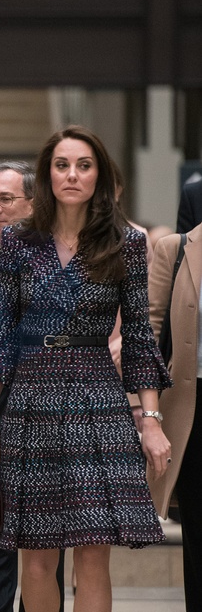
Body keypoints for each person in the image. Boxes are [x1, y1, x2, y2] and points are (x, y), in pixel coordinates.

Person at [0, 124, 172, 612]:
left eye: (84, 165)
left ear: (99, 175)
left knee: (92, 552)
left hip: (97, 397)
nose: (72, 175)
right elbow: (2, 330)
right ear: (47, 174)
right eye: (62, 165)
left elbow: (139, 335)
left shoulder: (126, 242)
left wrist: (151, 421)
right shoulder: (19, 240)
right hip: (31, 398)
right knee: (38, 555)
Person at [0, 160, 65, 612]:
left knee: (46, 544)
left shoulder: (62, 262)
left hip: (49, 416)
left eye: (6, 199)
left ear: (34, 204)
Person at [148, 226, 202, 611]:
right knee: (198, 531)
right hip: (191, 406)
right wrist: (146, 411)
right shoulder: (177, 248)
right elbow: (149, 330)